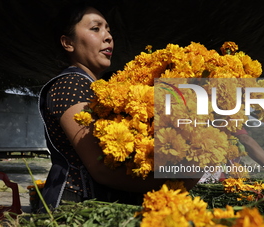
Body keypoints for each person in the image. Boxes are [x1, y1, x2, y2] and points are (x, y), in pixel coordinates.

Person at [38, 2, 199, 210]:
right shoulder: (70, 84)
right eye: (95, 28)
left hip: (100, 207)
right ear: (68, 43)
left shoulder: (97, 87)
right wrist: (178, 182)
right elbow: (102, 169)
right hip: (76, 211)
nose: (108, 36)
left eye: (108, 29)